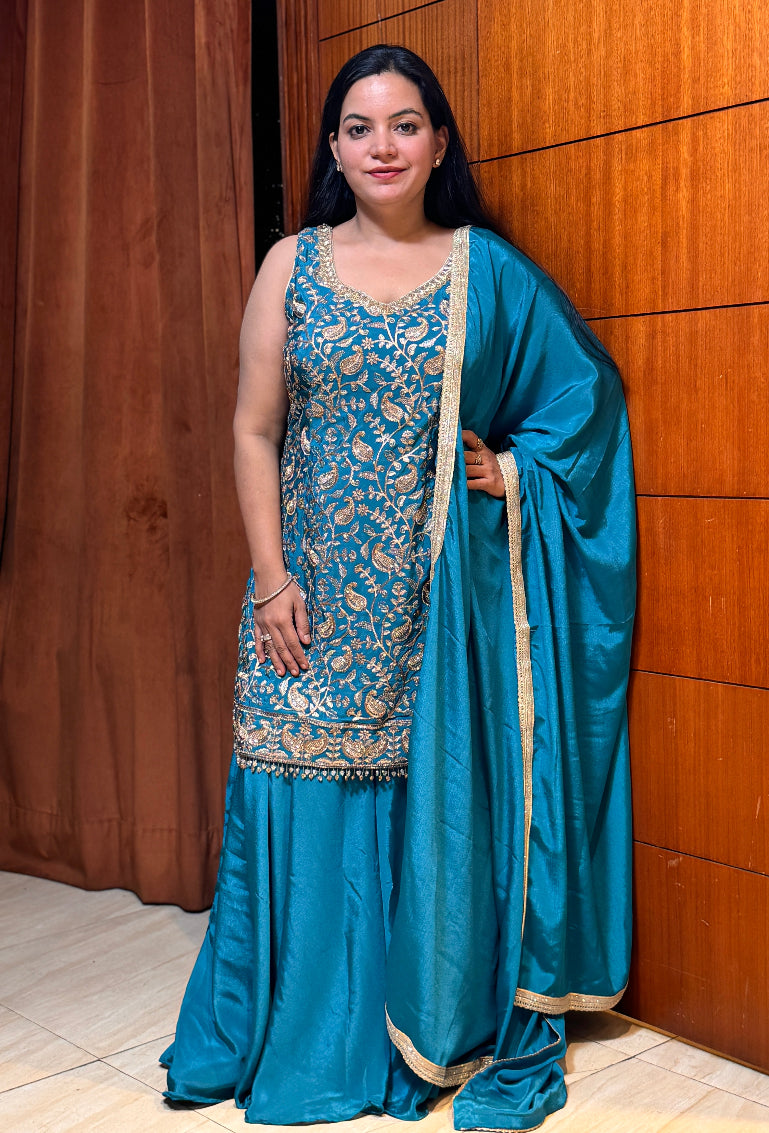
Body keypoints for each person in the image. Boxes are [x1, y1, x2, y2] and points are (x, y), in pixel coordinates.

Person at [161, 44, 636, 1130]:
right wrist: (272, 576)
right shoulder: (291, 262)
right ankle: (294, 1032)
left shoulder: (486, 269)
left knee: (418, 800)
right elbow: (251, 427)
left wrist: (511, 470)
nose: (383, 146)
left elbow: (586, 403)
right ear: (332, 147)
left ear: (438, 142)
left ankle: (411, 1028)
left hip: (434, 609)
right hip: (306, 597)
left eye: (405, 124)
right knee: (299, 785)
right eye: (360, 127)